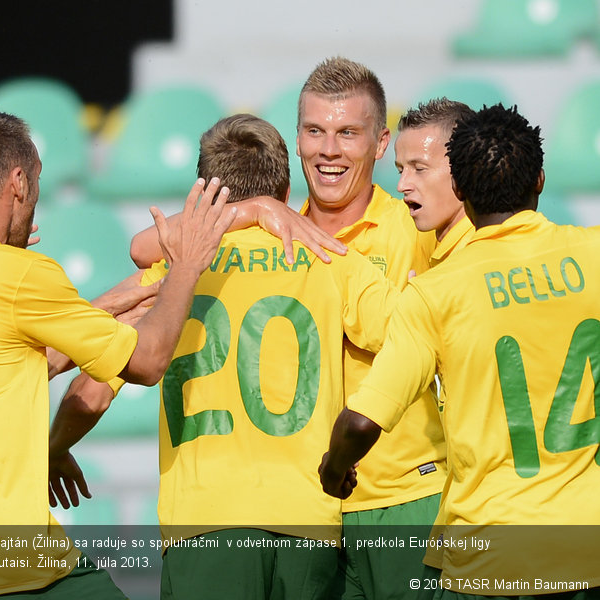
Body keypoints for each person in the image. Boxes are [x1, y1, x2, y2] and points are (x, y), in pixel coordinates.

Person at [0, 109, 236, 600]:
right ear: (17, 182)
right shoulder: (17, 273)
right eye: (36, 186)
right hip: (5, 565)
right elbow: (147, 362)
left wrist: (122, 299)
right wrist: (187, 267)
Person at [130, 57, 445, 600]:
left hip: (398, 501)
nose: (328, 149)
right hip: (312, 515)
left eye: (348, 133)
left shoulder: (418, 228)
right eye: (315, 131)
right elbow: (143, 247)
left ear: (381, 144)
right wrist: (251, 210)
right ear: (297, 139)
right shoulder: (276, 231)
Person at [319, 104, 600, 598]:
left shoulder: (436, 292)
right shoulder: (592, 254)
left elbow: (362, 421)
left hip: (490, 557)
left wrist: (333, 470)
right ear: (539, 179)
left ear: (462, 190)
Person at [395, 98, 475, 269]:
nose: (401, 186)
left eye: (419, 169)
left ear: (465, 169)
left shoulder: (475, 258)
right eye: (400, 171)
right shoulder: (426, 242)